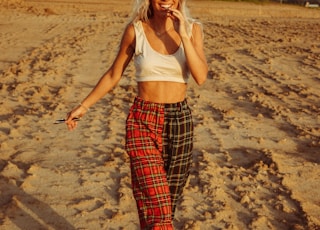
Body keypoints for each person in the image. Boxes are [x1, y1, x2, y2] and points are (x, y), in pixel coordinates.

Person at [65, 0, 208, 229]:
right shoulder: (136, 30)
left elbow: (200, 77)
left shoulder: (193, 29)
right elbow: (114, 74)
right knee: (158, 206)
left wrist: (184, 34)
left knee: (165, 206)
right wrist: (84, 106)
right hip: (143, 120)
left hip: (180, 122)